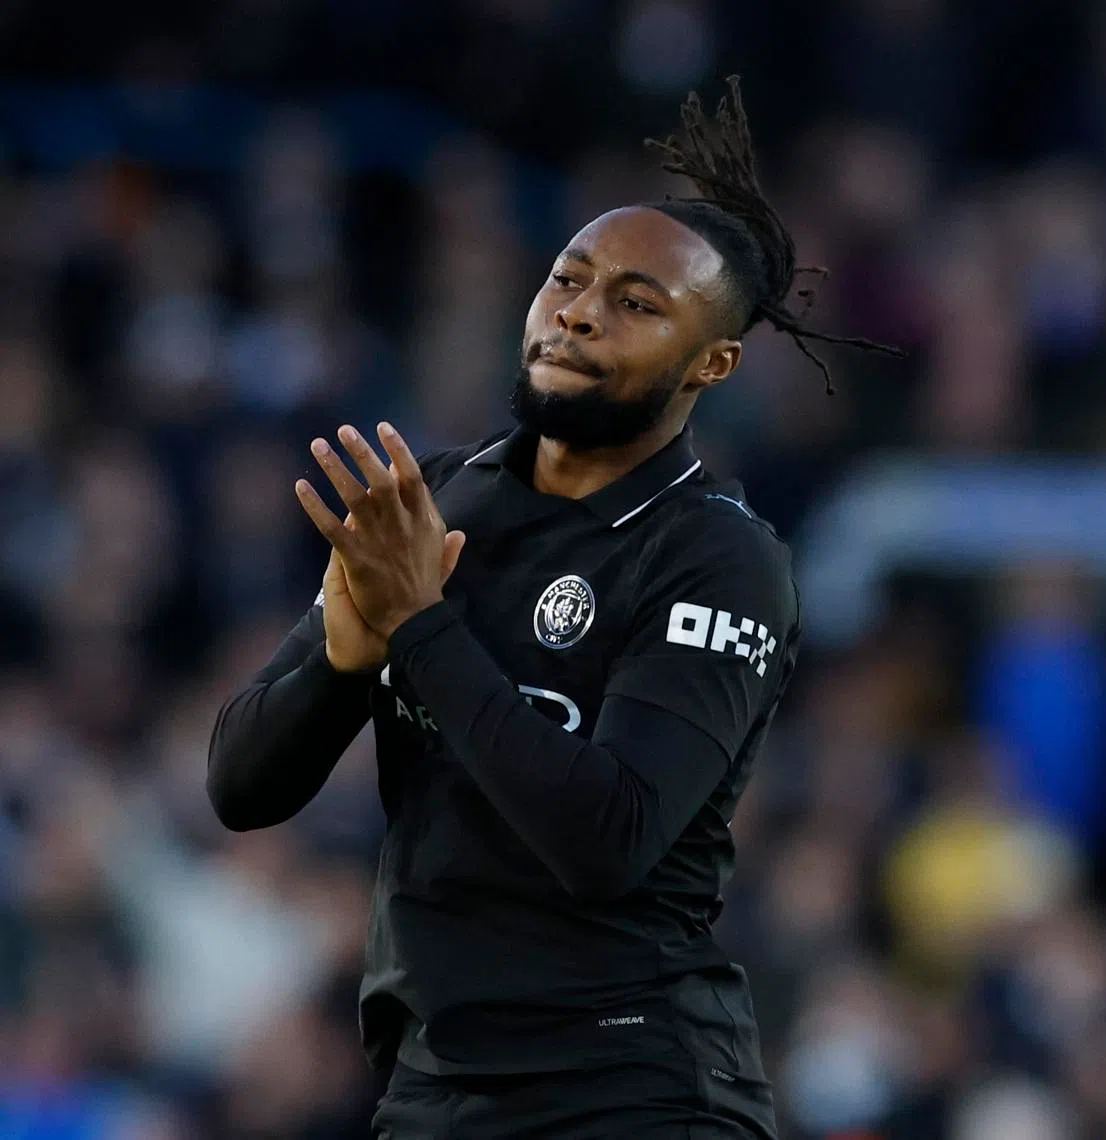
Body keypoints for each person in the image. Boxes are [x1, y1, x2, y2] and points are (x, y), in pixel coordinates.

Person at [207, 77, 897, 1140]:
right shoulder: (434, 503)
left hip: (630, 1088)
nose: (578, 311)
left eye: (638, 302)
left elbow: (607, 836)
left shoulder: (719, 558)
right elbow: (241, 788)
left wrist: (424, 631)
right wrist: (341, 662)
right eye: (567, 279)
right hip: (433, 1088)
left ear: (712, 363)